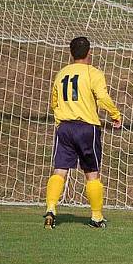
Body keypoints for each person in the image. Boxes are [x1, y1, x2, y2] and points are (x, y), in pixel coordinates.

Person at [43, 36, 122, 229]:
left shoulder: (61, 73)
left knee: (59, 170)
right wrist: (115, 114)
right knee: (92, 173)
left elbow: (53, 101)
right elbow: (102, 97)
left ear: (71, 53)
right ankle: (96, 217)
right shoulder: (93, 72)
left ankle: (51, 208)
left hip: (64, 127)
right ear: (89, 53)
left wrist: (59, 121)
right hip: (87, 128)